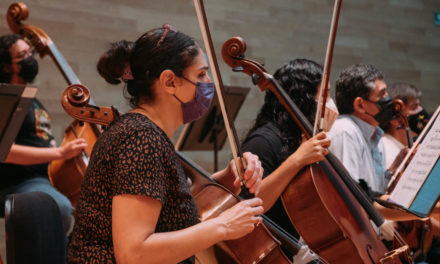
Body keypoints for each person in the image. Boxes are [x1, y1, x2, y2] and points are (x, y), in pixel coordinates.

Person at [67, 25, 264, 264]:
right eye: (201, 75)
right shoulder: (140, 139)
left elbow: (170, 203)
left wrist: (229, 174)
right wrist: (223, 226)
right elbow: (133, 254)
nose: (209, 82)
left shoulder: (146, 134)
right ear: (169, 81)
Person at [242, 58, 332, 261]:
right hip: (274, 255)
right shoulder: (263, 141)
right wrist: (296, 161)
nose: (329, 102)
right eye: (324, 94)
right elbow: (251, 204)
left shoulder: (301, 139)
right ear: (304, 97)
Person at [0, 34, 87, 236]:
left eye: (31, 52)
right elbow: (6, 151)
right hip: (20, 181)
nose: (31, 57)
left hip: (46, 179)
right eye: (23, 54)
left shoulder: (33, 100)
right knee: (59, 209)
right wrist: (60, 153)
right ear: (5, 67)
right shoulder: (7, 99)